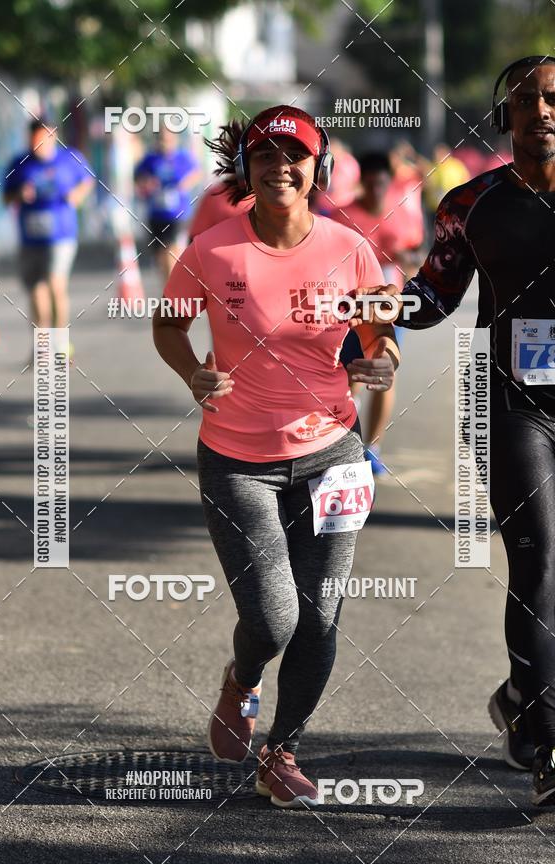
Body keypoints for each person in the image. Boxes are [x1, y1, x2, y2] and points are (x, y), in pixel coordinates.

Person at [152, 105, 400, 808]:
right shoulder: (213, 248)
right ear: (247, 167)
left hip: (334, 452)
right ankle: (243, 676)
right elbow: (168, 324)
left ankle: (281, 749)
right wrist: (191, 371)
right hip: (237, 458)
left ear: (316, 168)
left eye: (295, 156)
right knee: (274, 616)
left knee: (321, 612)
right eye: (265, 155)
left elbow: (380, 332)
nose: (280, 167)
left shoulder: (349, 248)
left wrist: (379, 361)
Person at [380, 56, 555, 805]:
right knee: (539, 559)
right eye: (526, 101)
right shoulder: (471, 203)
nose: (541, 111)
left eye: (554, 98)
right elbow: (434, 293)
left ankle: (522, 693)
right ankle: (551, 743)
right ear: (504, 118)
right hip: (512, 404)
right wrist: (374, 305)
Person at [331, 152, 423, 475]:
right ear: (361, 185)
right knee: (350, 376)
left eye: (380, 184)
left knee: (384, 373)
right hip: (350, 311)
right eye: (368, 185)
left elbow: (415, 258)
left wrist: (403, 260)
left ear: (388, 183)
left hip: (388, 310)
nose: (375, 191)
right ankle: (343, 441)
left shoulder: (403, 214)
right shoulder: (342, 217)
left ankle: (373, 446)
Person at [3, 119, 94, 352]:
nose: (38, 145)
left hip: (61, 235)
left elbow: (88, 180)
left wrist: (77, 195)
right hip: (30, 237)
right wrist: (20, 196)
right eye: (34, 140)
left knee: (56, 284)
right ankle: (42, 345)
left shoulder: (69, 158)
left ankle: (61, 341)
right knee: (36, 290)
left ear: (53, 137)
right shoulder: (20, 163)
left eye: (43, 139)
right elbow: (5, 198)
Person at [135, 128, 201, 282]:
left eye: (168, 139)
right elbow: (138, 178)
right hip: (157, 214)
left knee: (171, 251)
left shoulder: (182, 157)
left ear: (174, 139)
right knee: (160, 255)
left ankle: (173, 293)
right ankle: (168, 288)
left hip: (178, 214)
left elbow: (197, 173)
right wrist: (146, 184)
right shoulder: (150, 159)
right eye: (161, 139)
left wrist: (184, 183)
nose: (165, 142)